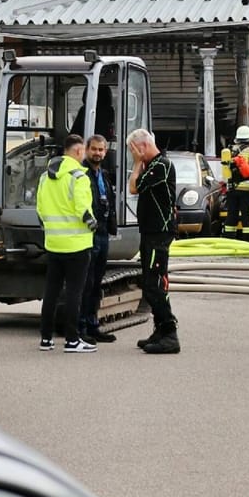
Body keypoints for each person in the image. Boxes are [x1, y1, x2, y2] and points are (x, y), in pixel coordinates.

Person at [37, 136, 97, 353]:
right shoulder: (79, 177)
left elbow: (41, 209)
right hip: (77, 245)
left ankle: (46, 338)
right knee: (74, 292)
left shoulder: (46, 176)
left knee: (51, 291)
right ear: (79, 151)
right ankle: (72, 340)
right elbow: (82, 208)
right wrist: (92, 222)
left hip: (53, 243)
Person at [126, 128, 180, 354]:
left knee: (154, 283)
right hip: (150, 231)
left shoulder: (161, 166)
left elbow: (133, 186)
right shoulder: (154, 166)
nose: (133, 156)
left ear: (142, 146)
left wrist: (137, 164)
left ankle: (169, 333)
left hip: (159, 231)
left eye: (134, 151)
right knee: (149, 281)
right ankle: (160, 328)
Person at [77, 134, 118, 345]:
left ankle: (93, 325)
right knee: (87, 282)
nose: (98, 153)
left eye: (101, 150)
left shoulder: (104, 175)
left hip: (103, 233)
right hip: (89, 234)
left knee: (97, 283)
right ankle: (81, 326)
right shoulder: (82, 174)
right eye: (94, 149)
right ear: (86, 150)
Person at [225, 125, 249, 237]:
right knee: (247, 214)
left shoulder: (229, 150)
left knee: (231, 214)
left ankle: (228, 238)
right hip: (247, 190)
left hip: (232, 189)